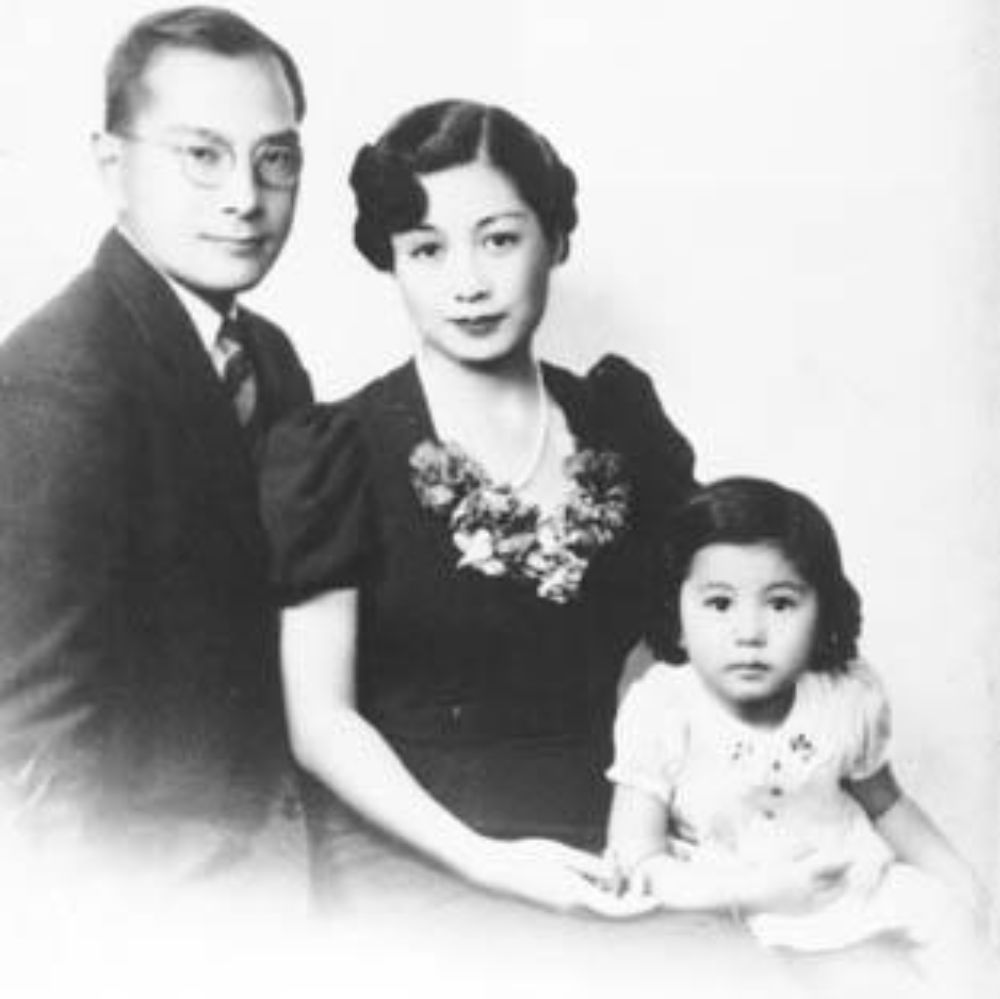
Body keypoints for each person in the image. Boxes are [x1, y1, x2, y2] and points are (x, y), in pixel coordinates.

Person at [259, 99, 698, 918]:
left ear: (555, 238)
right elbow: (319, 719)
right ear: (391, 261)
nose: (467, 283)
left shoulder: (620, 421)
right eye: (426, 249)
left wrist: (651, 835)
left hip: (614, 839)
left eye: (499, 239)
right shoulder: (337, 449)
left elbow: (680, 653)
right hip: (416, 854)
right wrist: (487, 861)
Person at [0, 6, 313, 902]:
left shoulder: (269, 356)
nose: (245, 197)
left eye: (275, 158)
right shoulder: (57, 380)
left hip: (280, 863)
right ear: (113, 165)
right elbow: (31, 741)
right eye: (202, 155)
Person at [606, 476, 997, 993]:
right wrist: (753, 891)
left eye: (781, 604)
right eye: (719, 604)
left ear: (822, 613)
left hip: (844, 886)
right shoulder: (664, 708)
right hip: (720, 906)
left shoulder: (843, 698)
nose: (750, 633)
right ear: (675, 617)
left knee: (947, 921)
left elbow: (889, 807)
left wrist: (961, 883)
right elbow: (637, 859)